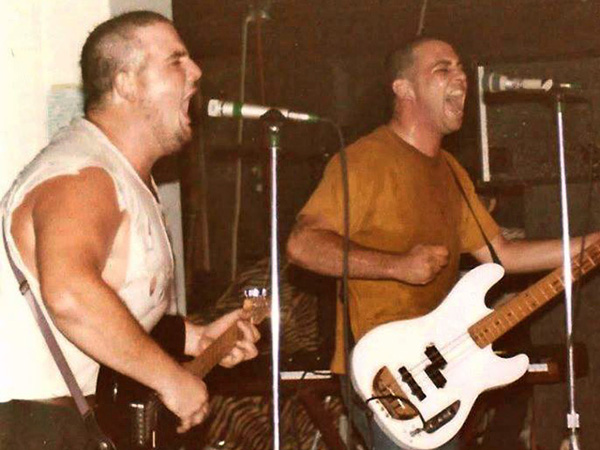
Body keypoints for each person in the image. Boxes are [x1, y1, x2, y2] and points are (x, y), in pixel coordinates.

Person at [286, 37, 600, 450]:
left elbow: (501, 255)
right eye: (443, 69)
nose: (461, 78)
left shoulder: (451, 171)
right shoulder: (363, 161)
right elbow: (302, 244)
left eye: (461, 68)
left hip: (443, 371)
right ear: (404, 88)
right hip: (385, 374)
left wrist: (589, 244)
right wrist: (397, 266)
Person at [0, 11, 259, 450]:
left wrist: (197, 338)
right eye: (176, 61)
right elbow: (69, 294)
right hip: (26, 425)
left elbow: (110, 302)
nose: (195, 73)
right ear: (125, 84)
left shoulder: (120, 175)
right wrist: (170, 379)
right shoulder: (83, 175)